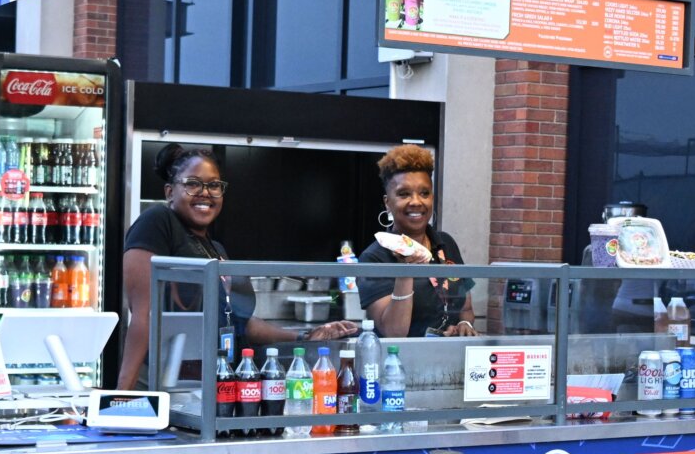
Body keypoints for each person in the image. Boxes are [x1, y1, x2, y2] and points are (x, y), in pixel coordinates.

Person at [116, 143, 355, 389]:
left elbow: (240, 323)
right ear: (169, 191)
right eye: (193, 184)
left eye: (214, 185)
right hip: (164, 382)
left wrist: (305, 336)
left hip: (211, 384)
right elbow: (143, 314)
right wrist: (121, 396)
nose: (205, 193)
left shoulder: (216, 250)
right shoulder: (157, 222)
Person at [358, 143, 476, 338]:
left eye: (424, 193)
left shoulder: (446, 243)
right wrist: (406, 271)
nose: (416, 201)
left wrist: (463, 324)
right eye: (404, 194)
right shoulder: (374, 257)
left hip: (449, 360)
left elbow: (466, 308)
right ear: (388, 202)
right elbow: (393, 333)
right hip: (400, 362)